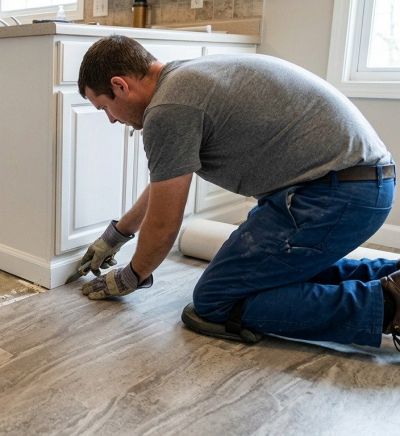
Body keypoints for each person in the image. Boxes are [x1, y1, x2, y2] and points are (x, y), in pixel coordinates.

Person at [75, 35, 399, 350]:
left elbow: (163, 223)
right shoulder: (185, 80)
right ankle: (392, 281)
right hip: (361, 185)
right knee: (270, 275)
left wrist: (134, 275)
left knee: (214, 301)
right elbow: (164, 185)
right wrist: (117, 235)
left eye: (104, 107)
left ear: (120, 85)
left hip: (332, 196)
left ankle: (389, 307)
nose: (112, 120)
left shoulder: (168, 110)